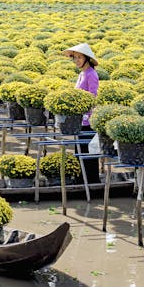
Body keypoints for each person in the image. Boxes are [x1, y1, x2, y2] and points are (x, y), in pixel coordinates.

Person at [64, 43, 100, 183]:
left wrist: (86, 114)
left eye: (79, 57)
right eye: (75, 57)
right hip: (79, 120)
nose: (77, 60)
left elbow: (93, 97)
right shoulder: (82, 74)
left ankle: (90, 182)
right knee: (80, 151)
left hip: (87, 121)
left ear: (87, 58)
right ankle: (81, 180)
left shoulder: (91, 74)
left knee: (88, 153)